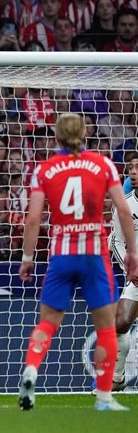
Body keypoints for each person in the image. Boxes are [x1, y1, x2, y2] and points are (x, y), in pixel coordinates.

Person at [18, 113, 138, 412]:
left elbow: (33, 219)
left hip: (61, 254)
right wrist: (132, 254)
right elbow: (124, 210)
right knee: (108, 327)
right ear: (84, 133)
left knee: (47, 322)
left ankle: (31, 370)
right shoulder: (102, 164)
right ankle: (104, 396)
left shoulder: (44, 170)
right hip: (93, 256)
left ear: (56, 137)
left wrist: (27, 257)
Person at [108, 150, 138, 392]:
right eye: (131, 169)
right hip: (136, 276)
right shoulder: (124, 205)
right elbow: (115, 242)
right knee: (120, 322)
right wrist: (130, 270)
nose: (134, 173)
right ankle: (117, 378)